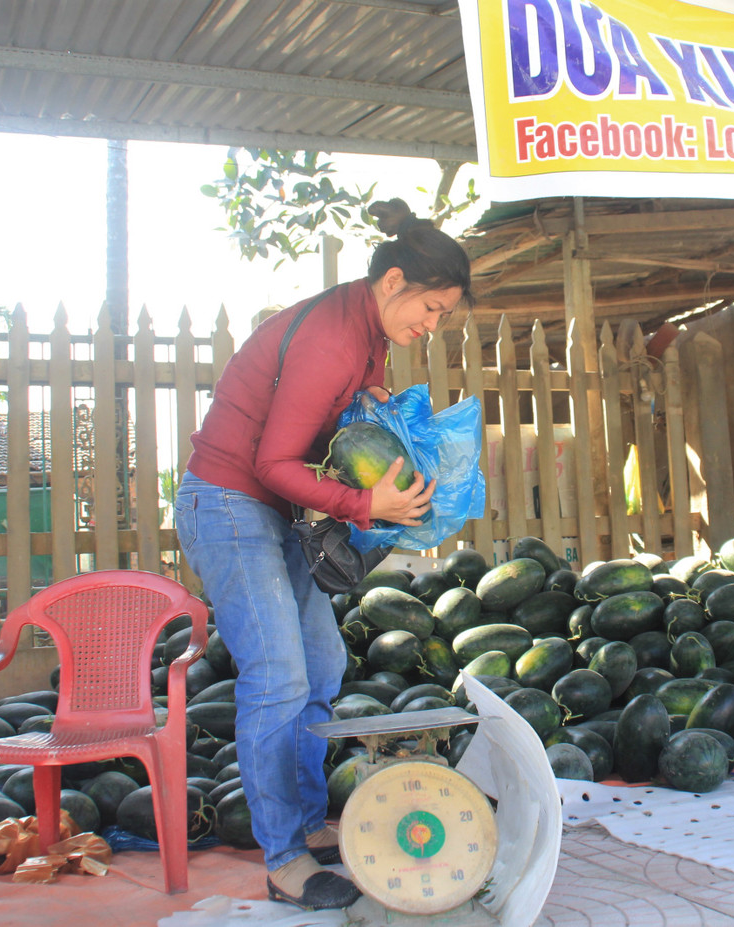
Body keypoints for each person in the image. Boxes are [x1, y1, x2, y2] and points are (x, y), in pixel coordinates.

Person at [175, 199, 474, 910]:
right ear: (393, 280)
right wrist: (370, 507)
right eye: (429, 309)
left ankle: (306, 825)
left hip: (270, 508)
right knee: (277, 675)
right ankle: (282, 859)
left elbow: (338, 419)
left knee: (323, 664)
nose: (430, 327)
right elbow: (275, 462)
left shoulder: (362, 327)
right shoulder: (332, 340)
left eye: (442, 316)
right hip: (225, 501)